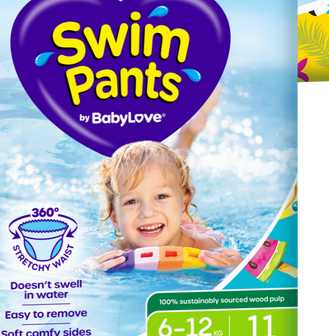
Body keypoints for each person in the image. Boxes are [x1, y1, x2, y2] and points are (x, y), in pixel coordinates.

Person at [91, 86, 243, 272]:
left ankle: (188, 132)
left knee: (172, 171)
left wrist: (234, 267)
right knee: (166, 175)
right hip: (169, 217)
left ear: (185, 206)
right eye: (131, 201)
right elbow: (78, 272)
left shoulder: (204, 246)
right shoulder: (116, 252)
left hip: (186, 224)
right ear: (115, 220)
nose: (147, 212)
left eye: (161, 196)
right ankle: (188, 131)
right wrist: (89, 268)